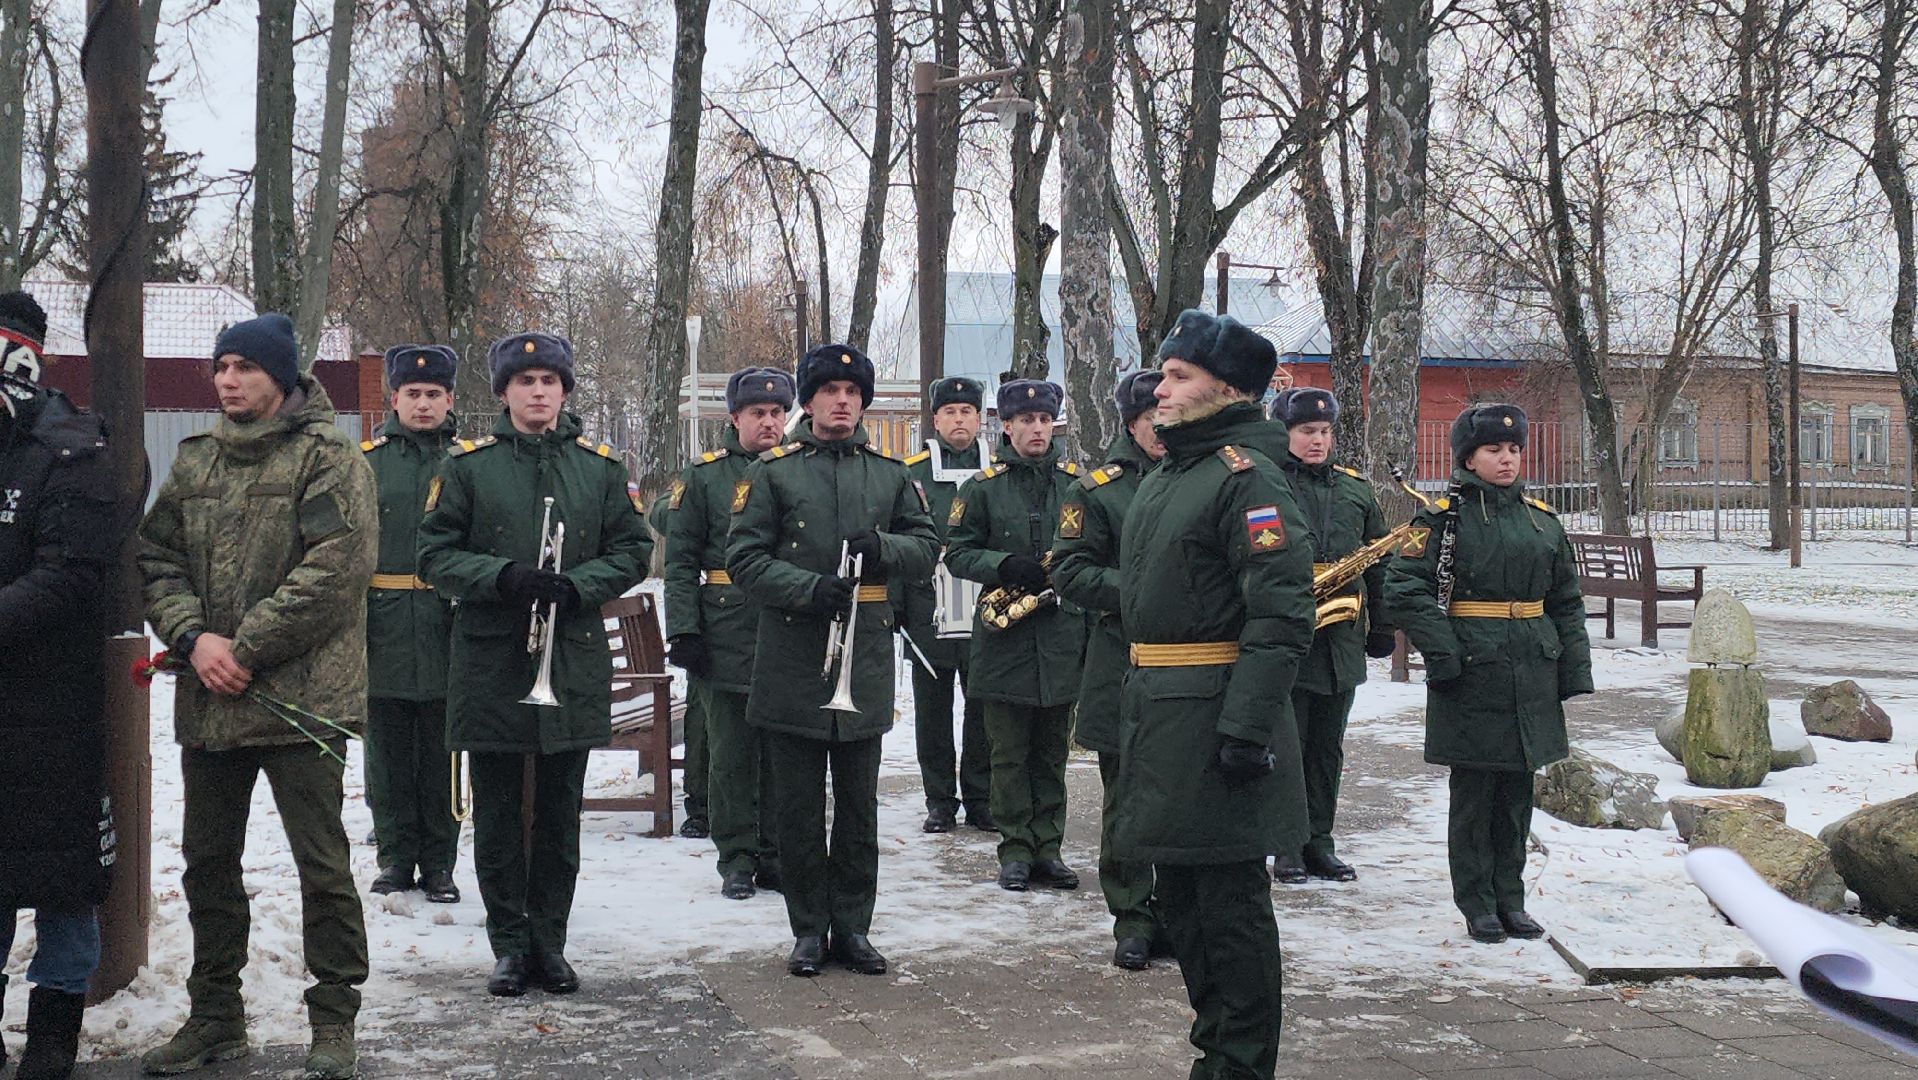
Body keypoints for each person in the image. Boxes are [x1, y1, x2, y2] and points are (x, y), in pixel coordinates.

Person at [138, 313, 376, 1080]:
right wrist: (194, 639)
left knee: (321, 865)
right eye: (220, 367)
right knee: (208, 863)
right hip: (213, 698)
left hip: (300, 702)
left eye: (243, 367)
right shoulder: (195, 461)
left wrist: (242, 648)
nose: (227, 380)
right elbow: (155, 557)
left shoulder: (330, 459)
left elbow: (335, 572)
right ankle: (215, 1018)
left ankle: (334, 1020)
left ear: (281, 376)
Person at [416, 332, 652, 996]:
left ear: (565, 390)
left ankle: (551, 942)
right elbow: (433, 554)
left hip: (570, 660)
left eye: (550, 380)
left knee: (558, 815)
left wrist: (581, 583)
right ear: (504, 393)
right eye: (525, 381)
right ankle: (509, 945)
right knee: (494, 814)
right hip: (493, 659)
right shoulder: (467, 467)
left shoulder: (601, 469)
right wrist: (503, 576)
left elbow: (634, 549)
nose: (538, 391)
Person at [1114, 309, 1314, 1079]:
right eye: (1163, 372)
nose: (1158, 387)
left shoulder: (1246, 478)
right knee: (1187, 909)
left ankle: (1239, 1065)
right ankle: (1217, 1056)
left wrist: (1248, 729)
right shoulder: (1178, 472)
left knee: (1229, 915)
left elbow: (1281, 612)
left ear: (1226, 389)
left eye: (1177, 375)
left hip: (1216, 722)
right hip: (1163, 714)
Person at [727, 343, 938, 978]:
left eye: (851, 393)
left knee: (858, 807)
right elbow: (743, 559)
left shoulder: (892, 474)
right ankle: (807, 930)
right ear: (809, 402)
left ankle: (853, 928)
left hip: (865, 654)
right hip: (795, 650)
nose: (840, 402)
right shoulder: (773, 474)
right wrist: (806, 588)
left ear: (863, 403)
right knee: (795, 807)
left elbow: (929, 548)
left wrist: (885, 548)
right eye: (828, 392)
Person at [1383, 403, 1592, 944]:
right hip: (1473, 669)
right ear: (1468, 459)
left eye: (1514, 449)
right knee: (1475, 794)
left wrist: (1573, 668)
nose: (1506, 459)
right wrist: (1444, 652)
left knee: (1517, 793)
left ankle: (1511, 898)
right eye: (1493, 450)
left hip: (1530, 667)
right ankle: (1477, 902)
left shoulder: (1541, 520)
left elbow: (1565, 600)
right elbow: (1402, 591)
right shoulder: (1437, 520)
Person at [0, 289, 113, 1080]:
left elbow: (71, 577)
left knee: (66, 880)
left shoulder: (72, 448)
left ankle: (52, 1036)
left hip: (54, 709)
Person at [946, 379, 1087, 893]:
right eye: (1026, 421)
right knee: (1007, 752)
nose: (1037, 429)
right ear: (1005, 426)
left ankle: (1049, 847)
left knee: (1052, 753)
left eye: (1045, 421)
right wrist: (1005, 566)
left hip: (1059, 636)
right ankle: (1015, 850)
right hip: (1004, 636)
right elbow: (957, 552)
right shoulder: (981, 488)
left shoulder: (1078, 484)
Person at [664, 367, 794, 899]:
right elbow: (679, 562)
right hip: (723, 626)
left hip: (786, 625)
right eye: (757, 413)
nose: (768, 422)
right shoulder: (704, 477)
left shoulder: (796, 469)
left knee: (782, 751)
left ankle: (777, 851)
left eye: (777, 413)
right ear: (734, 418)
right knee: (732, 752)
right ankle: (737, 855)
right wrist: (686, 630)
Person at [1051, 369, 1165, 969]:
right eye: (1153, 420)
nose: (1164, 429)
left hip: (1195, 668)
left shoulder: (1208, 478)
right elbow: (1069, 571)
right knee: (1126, 797)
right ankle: (1133, 916)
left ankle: (1178, 912)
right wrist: (1145, 589)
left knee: (1184, 798)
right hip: (1122, 663)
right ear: (1131, 424)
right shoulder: (1098, 491)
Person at [1267, 388, 1395, 884]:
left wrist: (1383, 625)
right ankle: (1287, 846)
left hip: (1340, 637)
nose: (1318, 441)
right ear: (1285, 434)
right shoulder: (1267, 485)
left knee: (1327, 746)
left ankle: (1321, 841)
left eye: (1324, 432)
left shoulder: (1354, 489)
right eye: (1306, 432)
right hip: (1286, 630)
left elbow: (1379, 562)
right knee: (1289, 745)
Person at [362, 344, 461, 904]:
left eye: (434, 395)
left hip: (450, 624)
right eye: (413, 395)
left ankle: (440, 862)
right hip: (385, 624)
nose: (423, 405)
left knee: (443, 750)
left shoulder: (468, 459)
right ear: (393, 398)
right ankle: (396, 858)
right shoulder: (367, 462)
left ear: (450, 400)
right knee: (388, 751)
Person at [898, 376, 995, 834]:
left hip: (988, 605)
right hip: (926, 605)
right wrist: (897, 609)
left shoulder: (996, 470)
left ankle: (981, 797)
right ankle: (939, 800)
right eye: (950, 412)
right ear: (935, 419)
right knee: (932, 710)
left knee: (983, 707)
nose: (960, 420)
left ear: (980, 419)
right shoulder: (911, 473)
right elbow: (896, 538)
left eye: (968, 412)